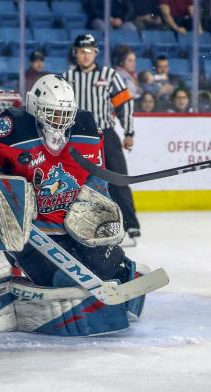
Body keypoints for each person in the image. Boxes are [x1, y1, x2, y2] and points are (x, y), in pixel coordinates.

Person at [0, 75, 147, 336]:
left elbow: (96, 172)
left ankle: (120, 271)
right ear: (35, 108)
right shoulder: (10, 126)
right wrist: (5, 191)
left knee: (109, 268)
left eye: (64, 114)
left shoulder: (86, 128)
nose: (59, 121)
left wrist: (93, 198)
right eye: (51, 113)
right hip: (32, 235)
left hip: (77, 229)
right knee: (61, 281)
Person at [63, 34, 141, 242]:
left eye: (89, 52)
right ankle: (72, 223)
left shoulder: (109, 75)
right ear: (75, 54)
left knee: (118, 180)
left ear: (95, 53)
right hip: (76, 137)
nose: (85, 56)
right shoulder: (68, 78)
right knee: (75, 181)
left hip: (105, 134)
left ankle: (131, 226)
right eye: (82, 52)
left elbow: (125, 103)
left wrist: (129, 132)